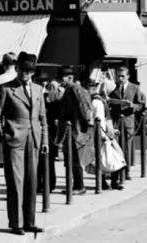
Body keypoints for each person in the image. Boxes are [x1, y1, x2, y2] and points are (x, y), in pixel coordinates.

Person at [0, 52, 48, 235]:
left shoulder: (38, 90)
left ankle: (29, 221)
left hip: (34, 139)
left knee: (31, 181)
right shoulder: (5, 88)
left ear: (33, 72)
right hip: (14, 139)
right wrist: (3, 136)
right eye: (22, 70)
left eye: (29, 71)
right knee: (16, 182)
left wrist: (44, 139)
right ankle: (16, 223)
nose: (25, 74)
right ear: (16, 69)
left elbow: (42, 117)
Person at [55, 65, 94, 196]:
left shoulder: (76, 89)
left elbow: (85, 106)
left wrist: (87, 121)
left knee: (75, 160)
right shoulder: (69, 90)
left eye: (62, 78)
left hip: (75, 131)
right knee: (71, 160)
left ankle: (79, 186)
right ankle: (75, 185)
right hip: (70, 130)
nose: (60, 81)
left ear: (70, 77)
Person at [86, 78, 125, 192]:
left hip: (100, 134)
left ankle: (108, 182)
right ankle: (111, 182)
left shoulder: (95, 101)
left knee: (107, 158)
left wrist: (105, 133)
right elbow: (106, 118)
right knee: (106, 158)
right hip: (102, 133)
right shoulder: (99, 101)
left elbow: (98, 119)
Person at [107, 66, 145, 182]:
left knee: (127, 148)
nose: (120, 78)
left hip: (128, 121)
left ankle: (126, 171)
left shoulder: (135, 88)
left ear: (128, 76)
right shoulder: (114, 90)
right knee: (116, 147)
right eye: (119, 76)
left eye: (123, 76)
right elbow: (111, 105)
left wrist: (132, 106)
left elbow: (142, 104)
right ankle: (116, 172)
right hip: (117, 122)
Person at [0, 53, 18, 169]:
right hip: (18, 116)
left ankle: (0, 160)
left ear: (3, 64)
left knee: (1, 142)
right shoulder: (21, 78)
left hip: (2, 116)